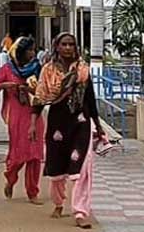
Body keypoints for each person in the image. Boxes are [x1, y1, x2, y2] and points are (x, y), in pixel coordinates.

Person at [30, 32, 105, 229]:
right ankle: (58, 202)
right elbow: (39, 98)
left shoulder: (82, 70)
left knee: (82, 167)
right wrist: (32, 124)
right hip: (57, 123)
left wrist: (98, 125)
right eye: (64, 44)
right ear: (57, 46)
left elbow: (90, 98)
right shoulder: (47, 71)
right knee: (57, 166)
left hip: (81, 122)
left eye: (71, 44)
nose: (68, 48)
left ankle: (80, 211)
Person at [0, 37, 44, 204]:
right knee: (19, 153)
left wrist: (31, 89)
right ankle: (11, 177)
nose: (32, 54)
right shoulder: (8, 69)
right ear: (19, 52)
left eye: (33, 50)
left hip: (35, 113)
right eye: (29, 50)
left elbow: (44, 91)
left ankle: (32, 192)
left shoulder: (37, 68)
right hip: (16, 116)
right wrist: (4, 85)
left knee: (35, 154)